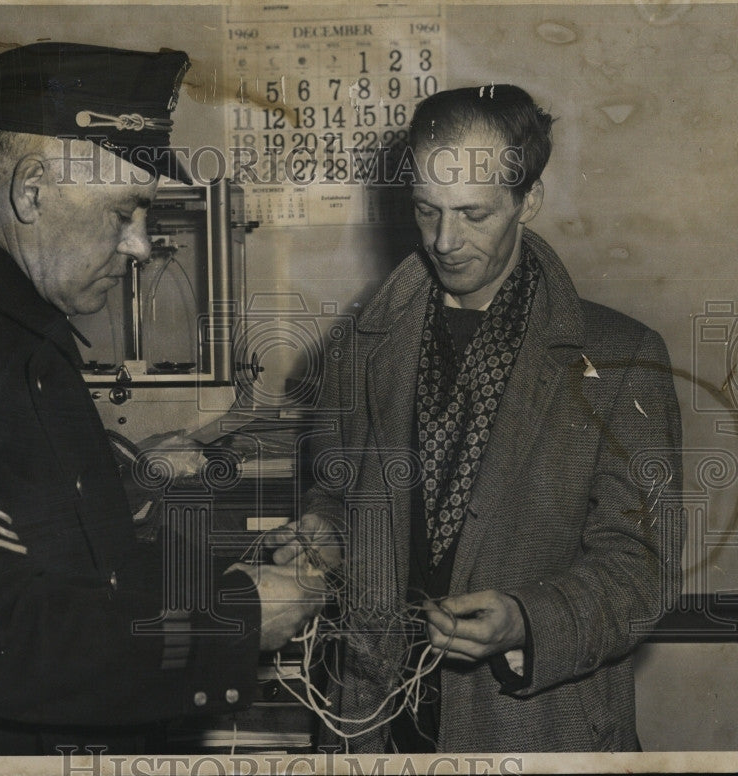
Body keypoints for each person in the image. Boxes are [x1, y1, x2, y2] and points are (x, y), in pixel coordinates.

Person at [0, 42, 324, 755]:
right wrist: (238, 618)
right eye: (124, 213)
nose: (142, 247)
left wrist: (234, 575)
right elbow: (10, 642)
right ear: (32, 190)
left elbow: (85, 565)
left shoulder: (8, 327)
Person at [279, 85, 684, 752]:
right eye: (426, 211)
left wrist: (529, 619)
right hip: (376, 725)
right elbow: (337, 487)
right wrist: (321, 533)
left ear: (530, 201)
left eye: (473, 214)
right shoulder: (360, 345)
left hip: (534, 726)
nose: (445, 241)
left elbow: (641, 567)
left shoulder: (622, 359)